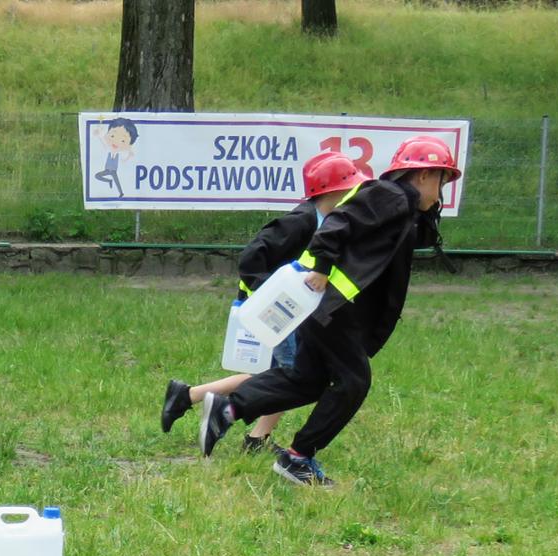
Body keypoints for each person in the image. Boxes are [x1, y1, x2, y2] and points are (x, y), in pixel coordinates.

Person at [196, 136, 458, 487]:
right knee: (353, 382)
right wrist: (321, 266)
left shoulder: (403, 207)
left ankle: (227, 409)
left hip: (334, 312)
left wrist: (429, 212)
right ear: (424, 175)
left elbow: (412, 240)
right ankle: (297, 458)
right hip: (334, 310)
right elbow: (339, 222)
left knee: (307, 381)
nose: (441, 192)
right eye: (441, 180)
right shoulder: (389, 195)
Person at [160, 151, 372, 452]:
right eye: (351, 187)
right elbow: (252, 255)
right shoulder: (301, 220)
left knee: (275, 376)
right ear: (335, 190)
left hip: (292, 311)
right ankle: (253, 436)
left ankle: (189, 396)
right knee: (293, 375)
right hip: (276, 309)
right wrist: (264, 293)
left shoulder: (329, 222)